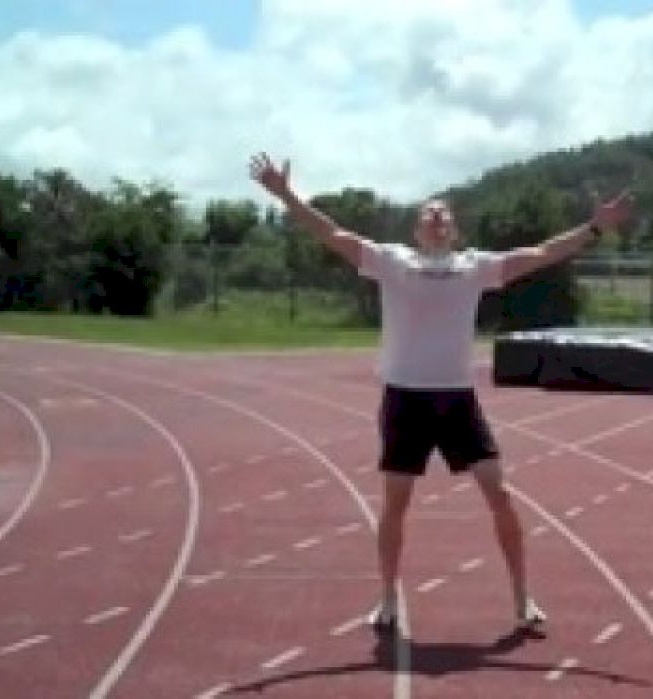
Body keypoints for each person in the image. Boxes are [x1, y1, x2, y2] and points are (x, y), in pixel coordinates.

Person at [249, 152, 631, 632]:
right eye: (428, 213)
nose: (436, 218)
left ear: (454, 229)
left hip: (456, 399)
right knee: (396, 504)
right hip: (405, 397)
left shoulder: (475, 267)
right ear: (416, 229)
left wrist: (593, 228)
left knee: (500, 495)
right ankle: (387, 599)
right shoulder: (391, 261)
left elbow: (540, 255)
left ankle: (522, 600)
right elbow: (332, 235)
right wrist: (285, 195)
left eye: (444, 214)